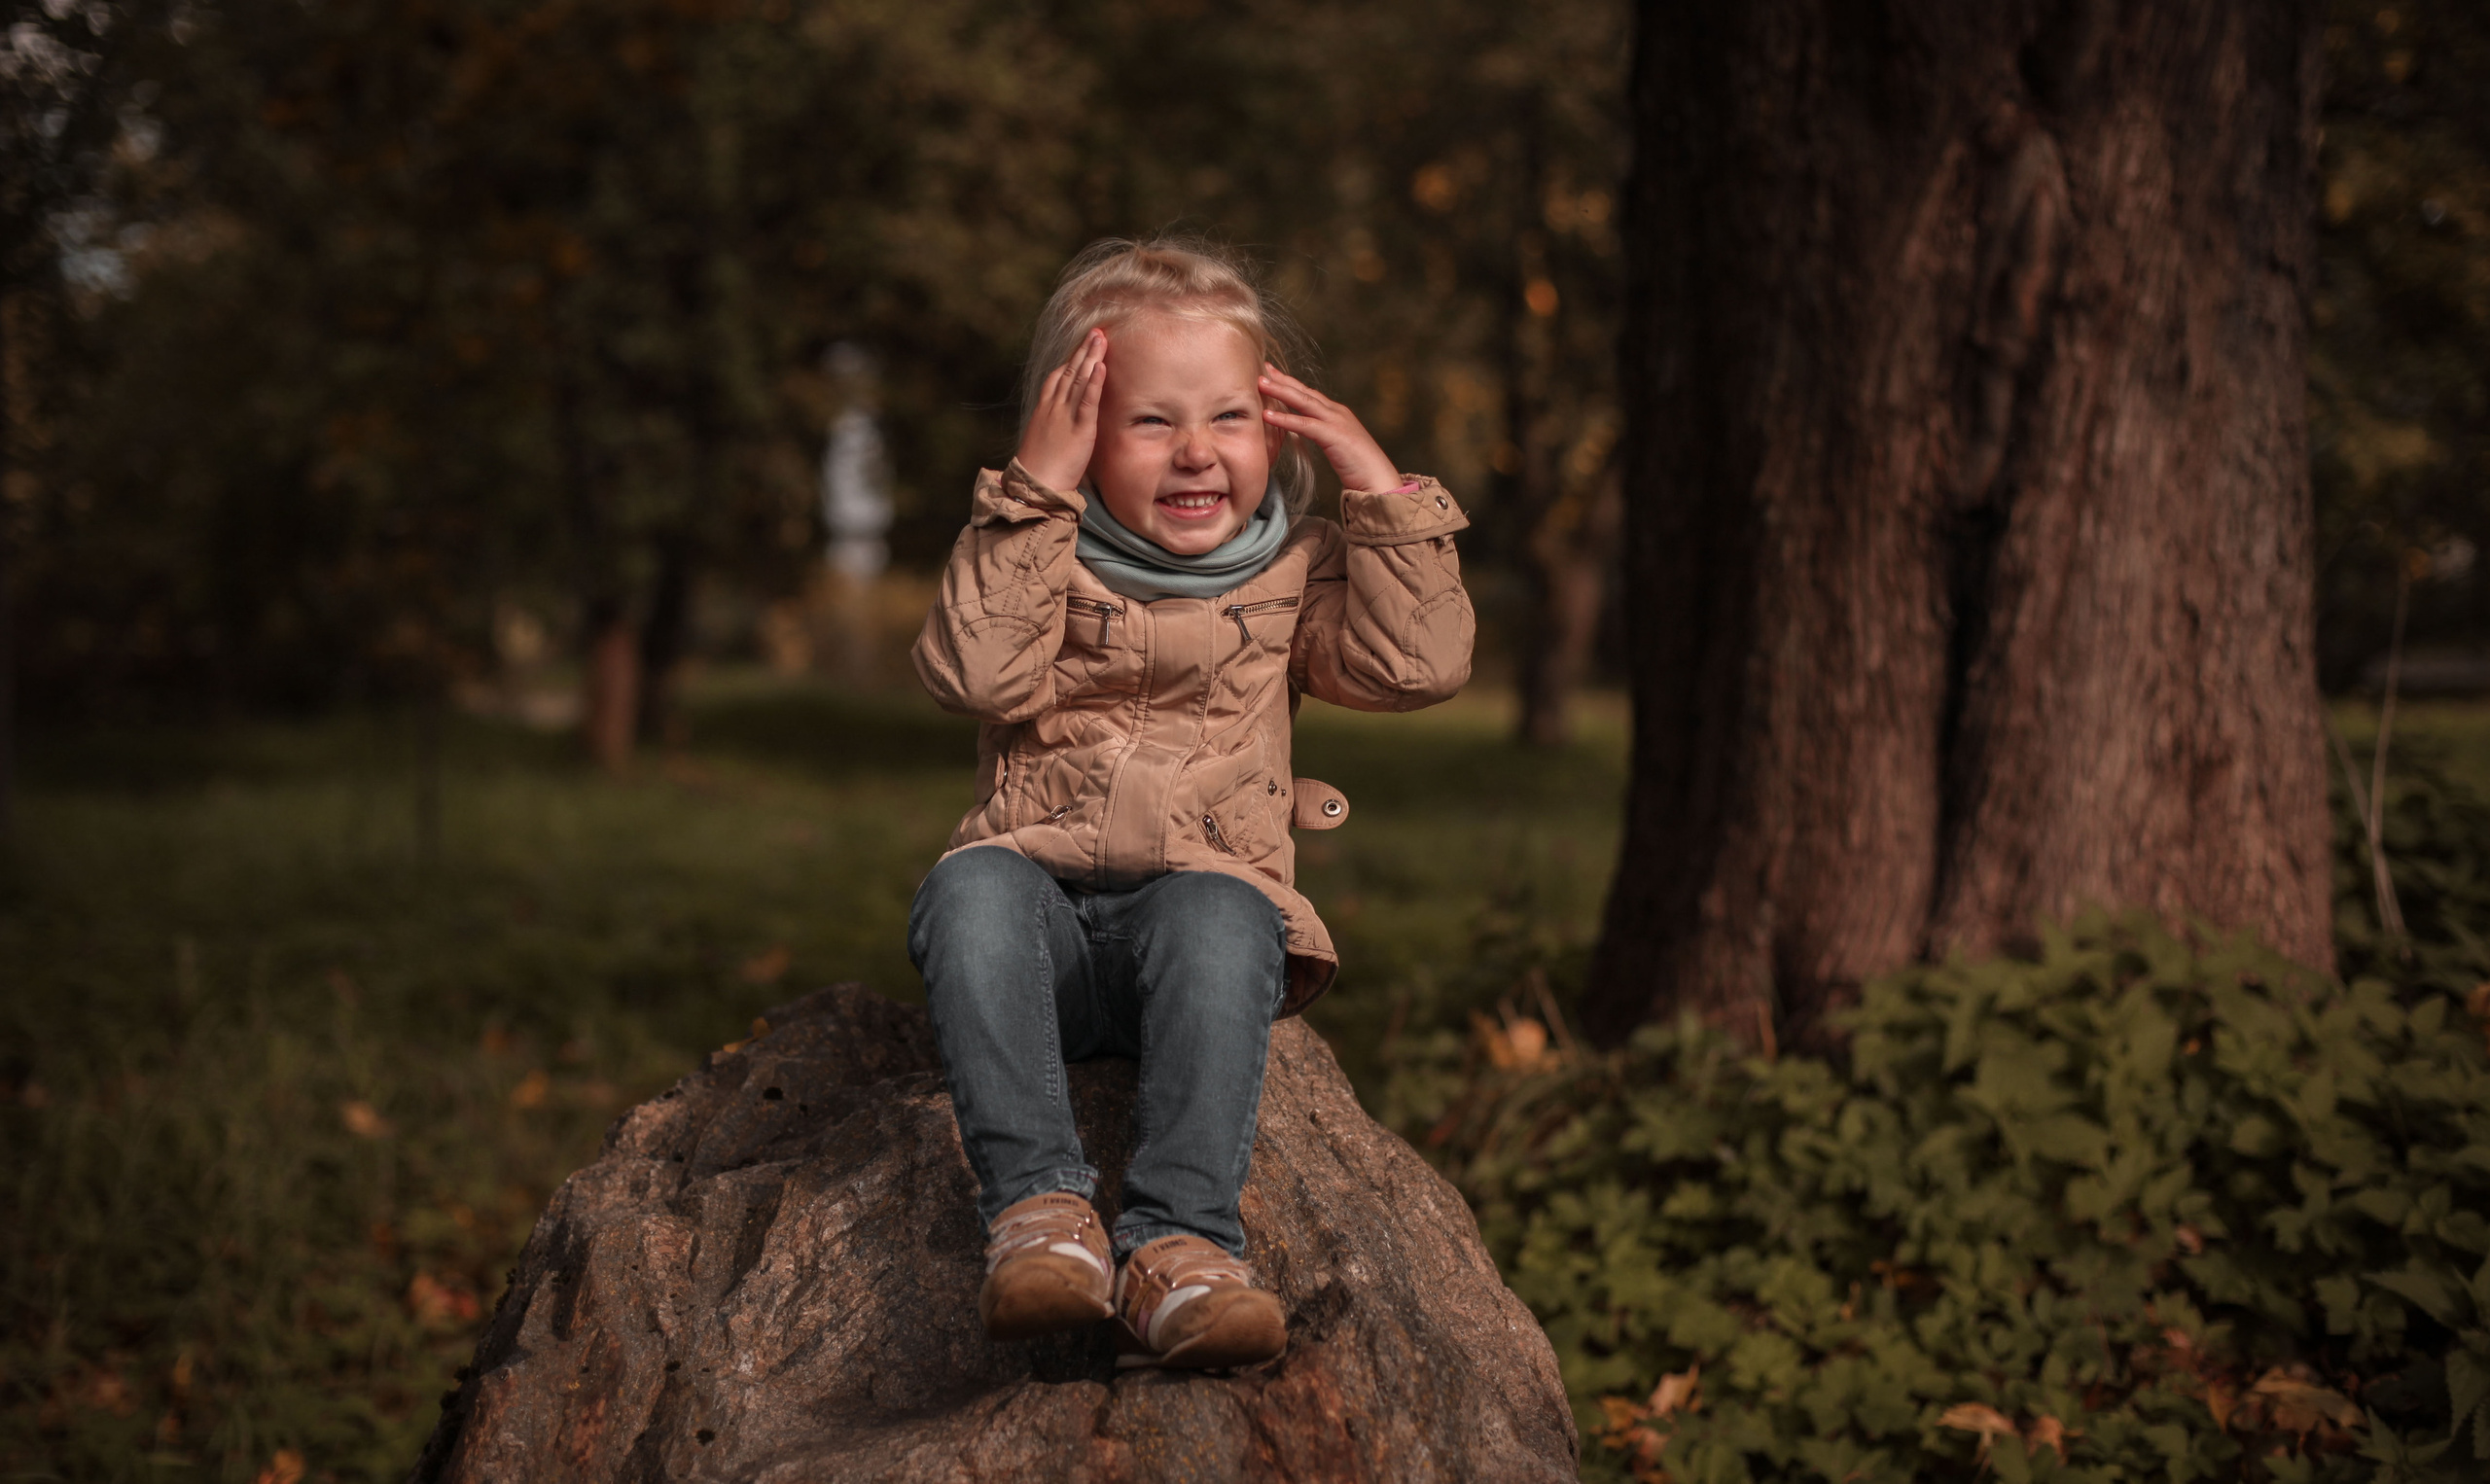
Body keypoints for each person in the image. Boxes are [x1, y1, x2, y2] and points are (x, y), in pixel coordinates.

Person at [908, 236, 1474, 1369]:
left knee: (1221, 907)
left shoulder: (1300, 569)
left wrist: (1380, 486)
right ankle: (1040, 1222)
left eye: (1228, 417)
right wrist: (1032, 494)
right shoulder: (1034, 555)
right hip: (1040, 949)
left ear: (1276, 431)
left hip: (1196, 947)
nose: (1195, 453)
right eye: (1150, 421)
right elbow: (972, 674)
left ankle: (1182, 1248)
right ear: (1081, 434)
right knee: (968, 884)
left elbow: (1421, 666)